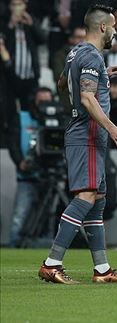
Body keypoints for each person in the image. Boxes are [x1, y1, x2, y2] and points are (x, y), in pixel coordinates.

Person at [38, 4, 117, 284]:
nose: (116, 31)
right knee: (86, 196)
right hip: (88, 134)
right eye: (114, 26)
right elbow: (87, 98)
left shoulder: (75, 53)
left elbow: (61, 84)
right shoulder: (90, 56)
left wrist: (103, 74)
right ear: (103, 27)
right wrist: (113, 127)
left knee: (97, 202)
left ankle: (102, 269)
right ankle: (52, 263)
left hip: (86, 134)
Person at [8, 88, 53, 247]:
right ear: (34, 101)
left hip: (50, 178)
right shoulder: (22, 118)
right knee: (20, 216)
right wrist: (20, 162)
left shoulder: (56, 120)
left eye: (47, 101)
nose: (44, 106)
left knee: (50, 216)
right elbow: (13, 144)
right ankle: (13, 247)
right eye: (41, 101)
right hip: (26, 177)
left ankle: (51, 254)